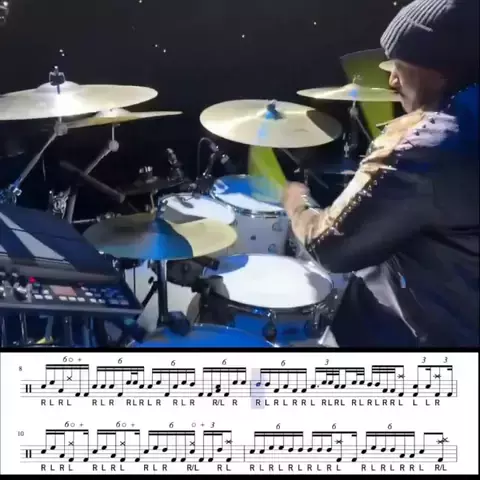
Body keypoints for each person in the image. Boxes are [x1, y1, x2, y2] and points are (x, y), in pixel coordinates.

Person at [283, 0, 479, 347]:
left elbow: (329, 248)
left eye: (400, 65)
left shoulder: (422, 146)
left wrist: (297, 205)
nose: (391, 80)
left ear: (440, 68)